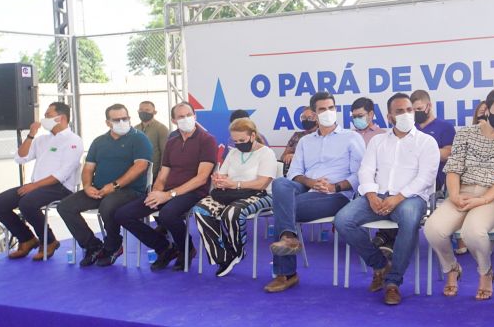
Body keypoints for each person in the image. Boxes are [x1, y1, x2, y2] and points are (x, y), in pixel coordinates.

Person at [334, 93, 439, 305]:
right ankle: (380, 264)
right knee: (343, 220)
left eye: (409, 110)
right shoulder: (378, 141)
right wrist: (371, 196)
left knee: (409, 220)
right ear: (390, 117)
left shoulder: (427, 142)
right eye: (400, 111)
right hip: (377, 195)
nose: (407, 114)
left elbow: (426, 178)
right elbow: (366, 171)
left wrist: (398, 198)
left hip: (410, 198)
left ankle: (393, 283)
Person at [424, 88, 494, 300]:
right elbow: (453, 168)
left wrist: (483, 199)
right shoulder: (466, 133)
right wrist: (455, 195)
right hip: (463, 192)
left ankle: (485, 272)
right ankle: (451, 268)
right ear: (487, 109)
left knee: (473, 232)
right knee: (433, 228)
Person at [265, 91, 366, 293]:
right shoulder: (305, 141)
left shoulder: (352, 138)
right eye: (322, 109)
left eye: (331, 108)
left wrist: (333, 186)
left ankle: (286, 273)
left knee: (283, 208)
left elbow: (359, 175)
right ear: (314, 113)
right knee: (279, 184)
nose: (328, 112)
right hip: (308, 188)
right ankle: (288, 237)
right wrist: (311, 182)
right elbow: (294, 173)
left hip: (337, 195)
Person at [115, 102, 217, 272]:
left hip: (194, 192)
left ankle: (186, 250)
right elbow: (163, 174)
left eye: (188, 115)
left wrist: (169, 195)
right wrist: (156, 192)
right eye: (181, 117)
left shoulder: (207, 140)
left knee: (167, 214)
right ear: (174, 120)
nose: (186, 119)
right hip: (168, 191)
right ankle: (164, 248)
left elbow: (201, 178)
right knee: (123, 214)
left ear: (195, 116)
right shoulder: (172, 141)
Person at [57, 104, 152, 267]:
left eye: (125, 118)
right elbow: (88, 168)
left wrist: (114, 186)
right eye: (117, 119)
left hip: (129, 191)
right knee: (65, 206)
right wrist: (87, 186)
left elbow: (140, 166)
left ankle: (113, 246)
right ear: (108, 122)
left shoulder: (139, 138)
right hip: (99, 189)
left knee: (108, 206)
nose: (122, 122)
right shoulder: (99, 141)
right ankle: (92, 246)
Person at [0, 102, 83, 260]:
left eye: (48, 115)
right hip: (36, 186)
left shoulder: (73, 140)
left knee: (27, 203)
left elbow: (62, 174)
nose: (44, 119)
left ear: (61, 118)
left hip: (60, 187)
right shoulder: (42, 139)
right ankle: (27, 239)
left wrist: (34, 186)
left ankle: (49, 241)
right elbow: (20, 158)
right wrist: (31, 135)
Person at [194, 118, 277, 276]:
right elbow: (223, 175)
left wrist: (235, 184)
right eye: (235, 140)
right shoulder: (233, 152)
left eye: (242, 140)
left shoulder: (266, 153)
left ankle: (237, 250)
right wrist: (219, 181)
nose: (238, 143)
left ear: (253, 136)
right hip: (231, 193)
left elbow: (262, 184)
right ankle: (223, 256)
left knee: (232, 213)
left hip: (261, 194)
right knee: (200, 210)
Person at [411, 90, 456, 190]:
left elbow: (448, 154)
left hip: (434, 178)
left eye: (419, 108)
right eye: (413, 110)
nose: (416, 113)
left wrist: (423, 152)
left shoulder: (445, 127)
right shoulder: (410, 128)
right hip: (409, 175)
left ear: (429, 106)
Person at [135, 101, 168, 180]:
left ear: (154, 112)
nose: (143, 112)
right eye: (141, 110)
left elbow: (165, 153)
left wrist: (161, 175)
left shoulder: (161, 128)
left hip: (155, 174)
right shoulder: (135, 129)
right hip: (137, 174)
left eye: (147, 110)